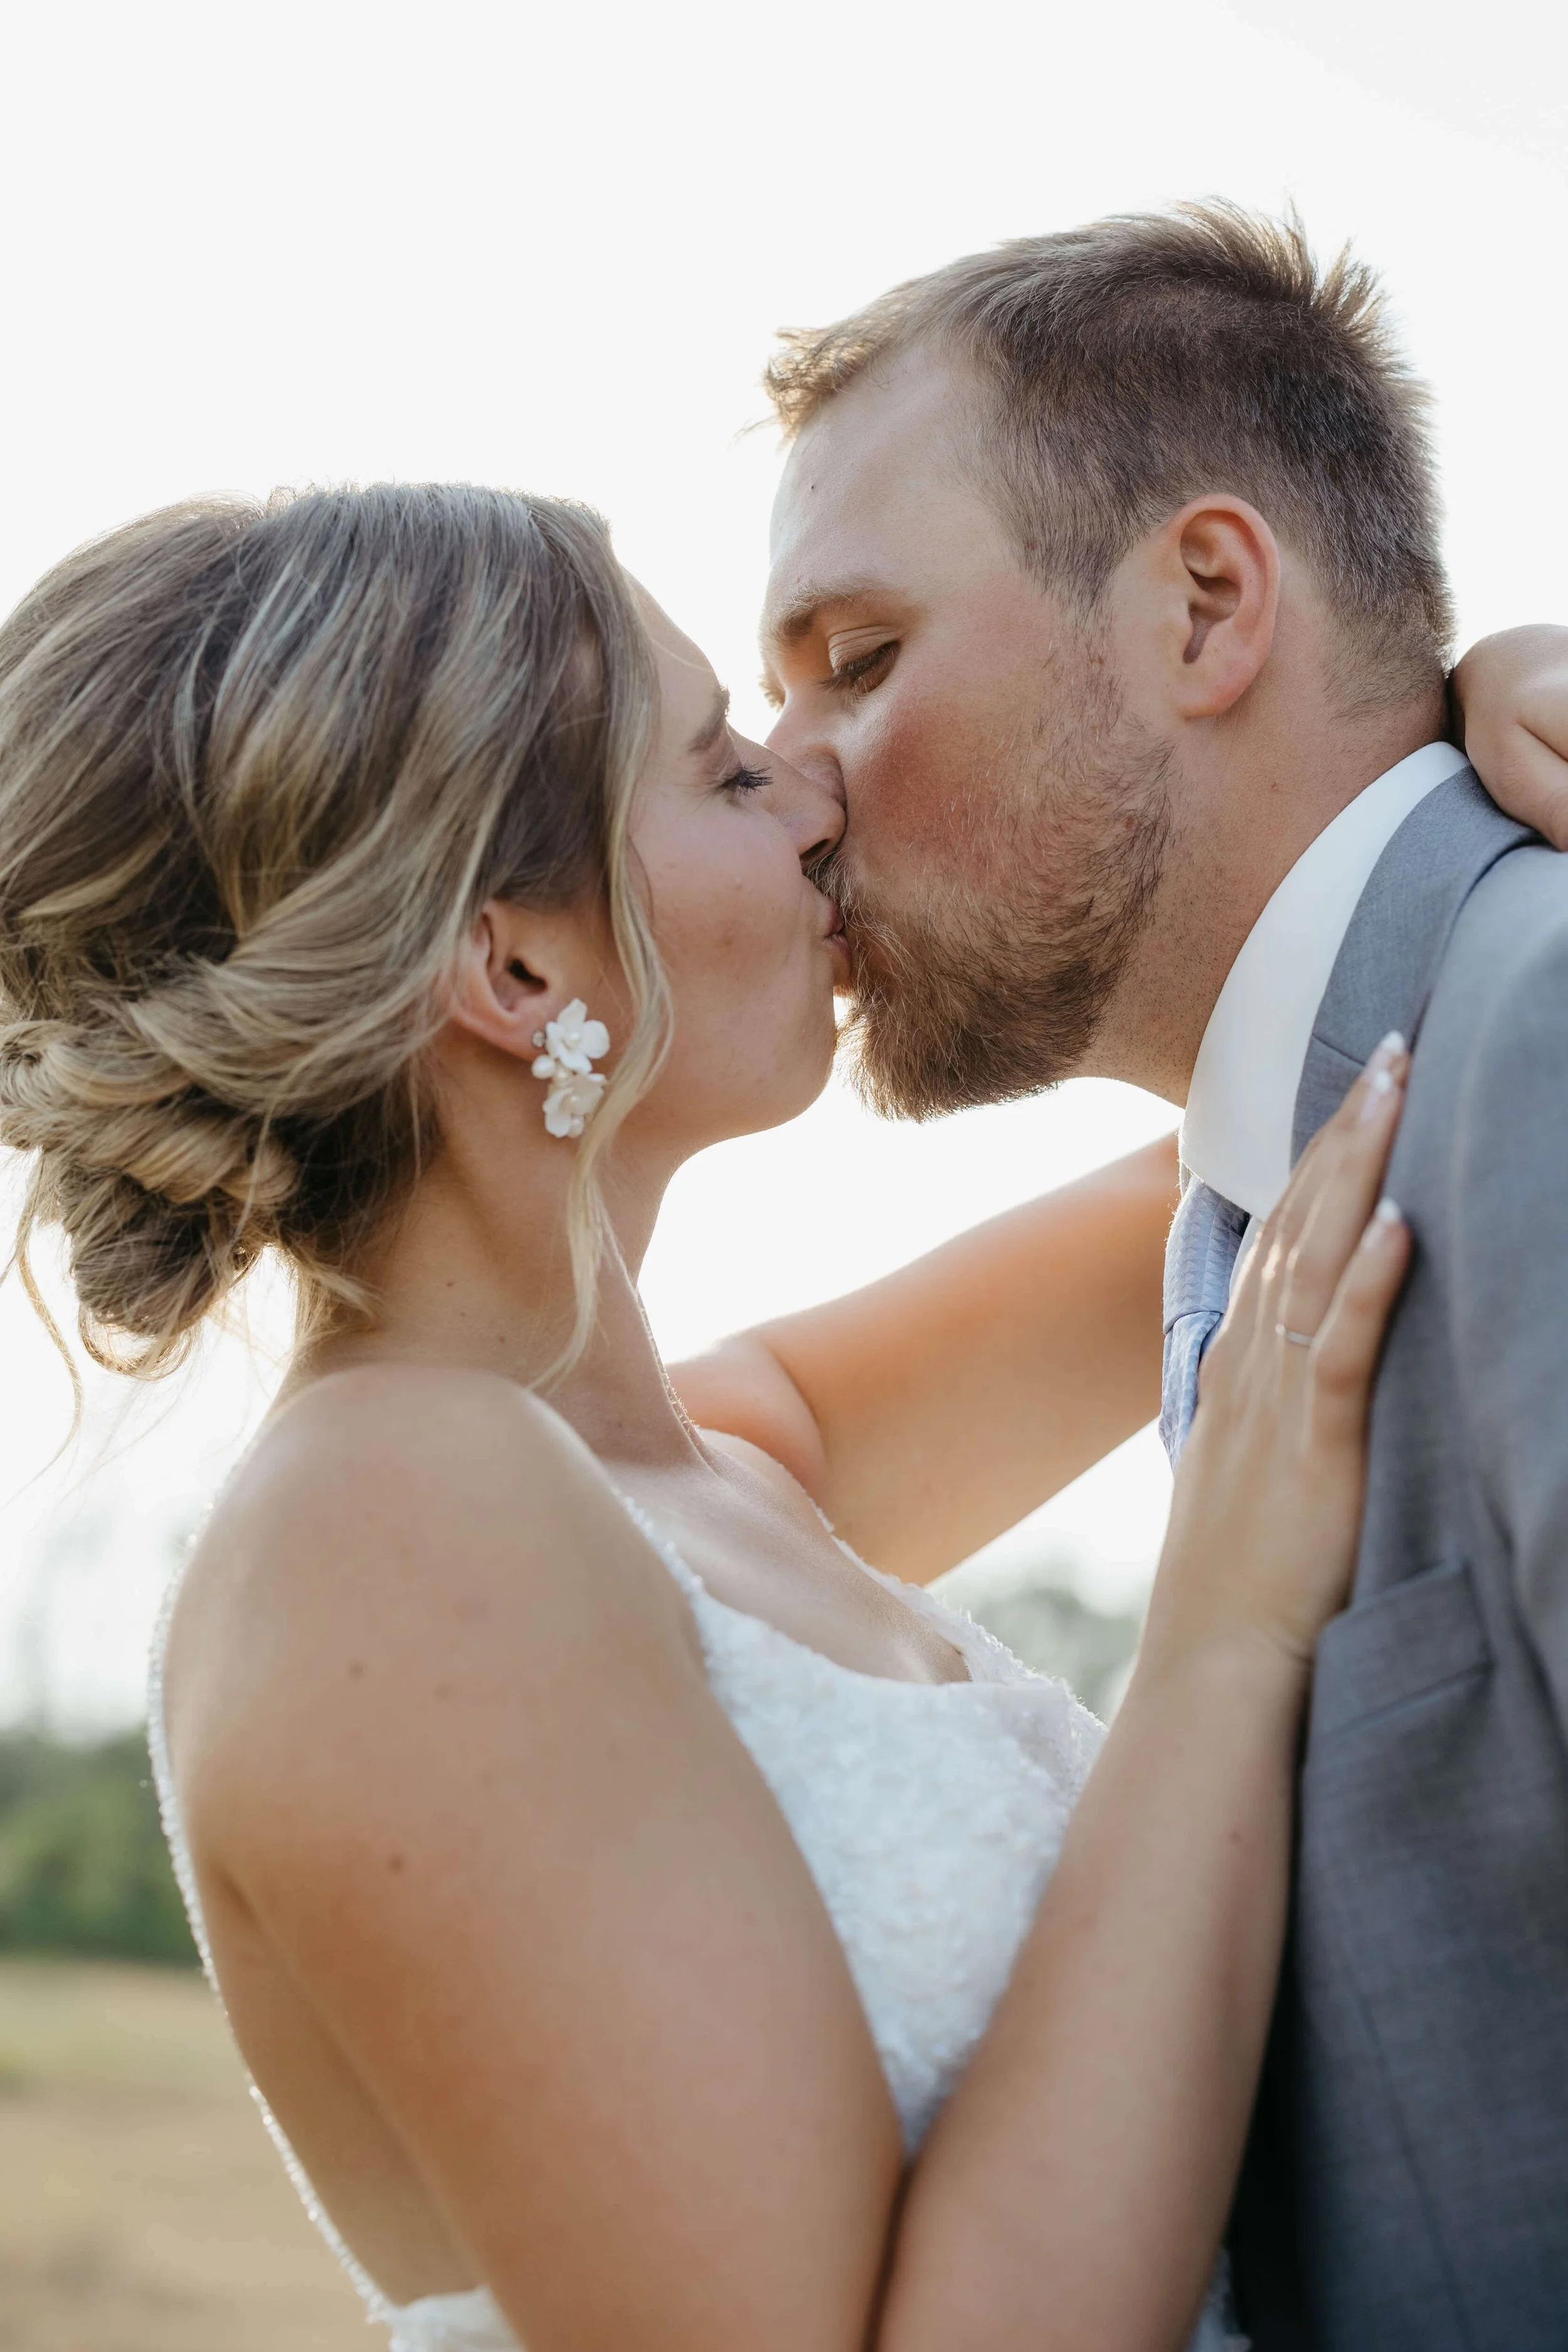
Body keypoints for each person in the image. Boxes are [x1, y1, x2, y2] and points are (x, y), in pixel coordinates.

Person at [672, 201, 1568, 2350]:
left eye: (859, 660)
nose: (799, 792)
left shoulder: (1535, 1050)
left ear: (1200, 603)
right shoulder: (1248, 1185)